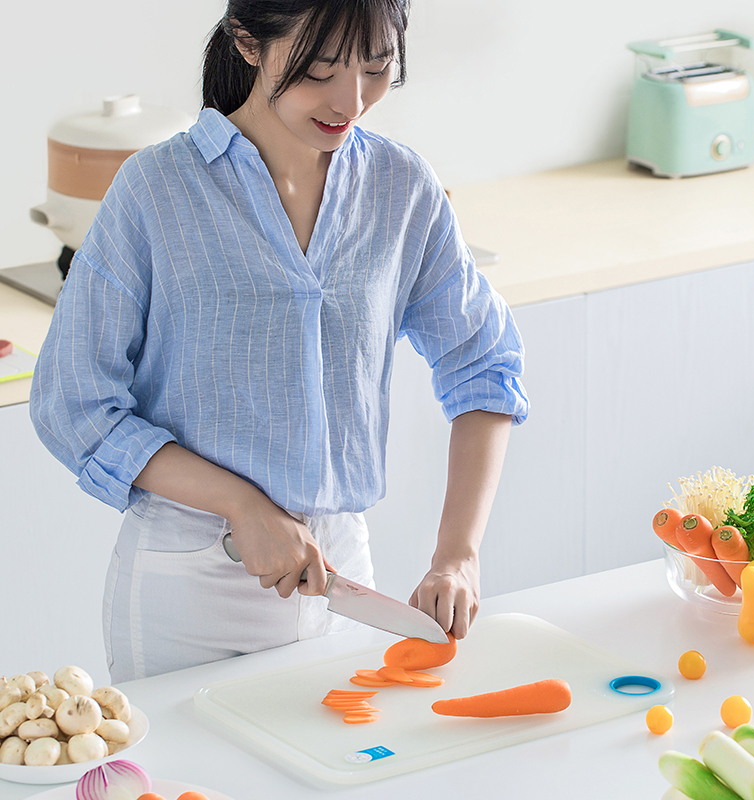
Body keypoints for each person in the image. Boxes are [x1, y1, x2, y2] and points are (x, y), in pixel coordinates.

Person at [29, 0, 528, 683]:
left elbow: (485, 365)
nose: (351, 100)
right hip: (190, 587)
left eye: (377, 66)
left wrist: (457, 554)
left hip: (342, 573)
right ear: (248, 41)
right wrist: (241, 503)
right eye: (322, 69)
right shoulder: (157, 190)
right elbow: (73, 403)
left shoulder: (400, 188)